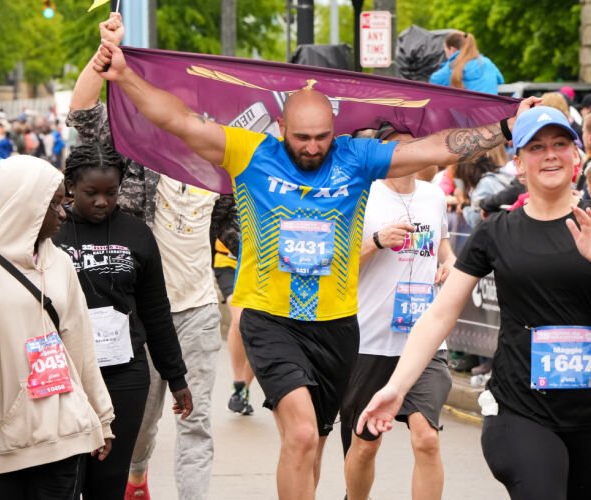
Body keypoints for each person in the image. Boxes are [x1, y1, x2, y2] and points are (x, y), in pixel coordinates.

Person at [93, 31, 533, 499]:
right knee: (301, 435)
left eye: (322, 137)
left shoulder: (356, 158)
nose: (312, 147)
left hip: (337, 326)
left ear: (335, 129)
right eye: (301, 137)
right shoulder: (249, 153)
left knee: (314, 446)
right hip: (270, 318)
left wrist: (505, 128)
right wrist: (124, 75)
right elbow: (180, 121)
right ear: (281, 126)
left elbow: (433, 149)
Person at [358, 106, 591, 500]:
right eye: (536, 147)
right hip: (522, 413)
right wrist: (396, 388)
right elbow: (439, 316)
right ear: (518, 164)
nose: (550, 154)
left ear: (576, 156)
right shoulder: (496, 232)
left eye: (560, 144)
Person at [70, 14, 238, 500]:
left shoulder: (218, 162)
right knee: (140, 421)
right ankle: (137, 474)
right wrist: (103, 55)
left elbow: (233, 228)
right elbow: (82, 112)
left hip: (199, 309)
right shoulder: (133, 148)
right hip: (138, 312)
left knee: (197, 420)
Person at [0, 155, 114, 499]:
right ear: (23, 206)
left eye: (62, 202)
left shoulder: (61, 263)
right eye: (52, 203)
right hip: (1, 444)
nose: (63, 213)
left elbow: (80, 342)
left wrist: (101, 416)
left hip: (63, 437)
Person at [52, 141, 193, 500]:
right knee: (65, 477)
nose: (102, 201)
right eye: (91, 193)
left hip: (124, 374)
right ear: (70, 187)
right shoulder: (52, 232)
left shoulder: (137, 234)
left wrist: (176, 376)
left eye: (110, 193)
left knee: (110, 480)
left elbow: (156, 310)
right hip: (63, 375)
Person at [341, 128, 455, 500]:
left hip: (422, 342)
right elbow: (335, 266)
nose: (407, 151)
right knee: (365, 444)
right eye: (397, 144)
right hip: (369, 341)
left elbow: (444, 249)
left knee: (426, 439)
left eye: (413, 143)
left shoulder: (434, 196)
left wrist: (450, 265)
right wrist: (377, 241)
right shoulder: (362, 196)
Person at [213, 234, 255, 415]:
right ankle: (239, 383)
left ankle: (243, 388)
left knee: (257, 328)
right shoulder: (224, 204)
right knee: (240, 320)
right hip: (228, 263)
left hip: (260, 265)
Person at [429, 31, 504, 95]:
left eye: (445, 51)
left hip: (465, 111)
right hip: (491, 111)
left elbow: (433, 82)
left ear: (452, 49)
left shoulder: (451, 67)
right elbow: (500, 80)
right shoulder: (487, 62)